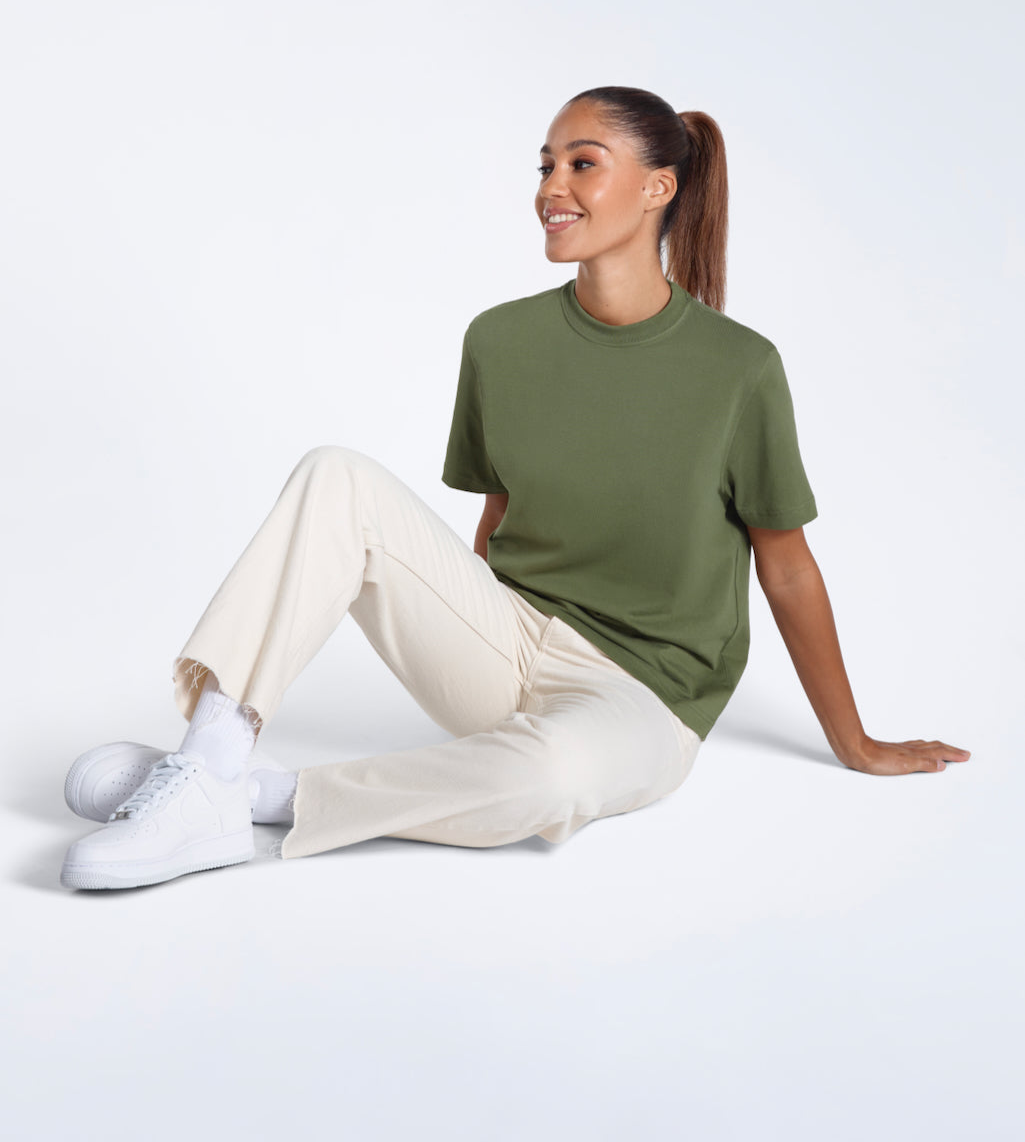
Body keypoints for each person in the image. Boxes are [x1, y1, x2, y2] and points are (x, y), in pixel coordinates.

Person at [59, 86, 971, 891]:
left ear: (658, 188)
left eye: (582, 163)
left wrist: (854, 741)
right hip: (511, 642)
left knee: (551, 783)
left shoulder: (737, 370)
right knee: (335, 475)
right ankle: (211, 757)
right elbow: (494, 521)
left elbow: (786, 567)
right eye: (544, 165)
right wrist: (464, 628)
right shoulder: (500, 341)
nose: (549, 188)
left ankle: (255, 796)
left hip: (643, 698)